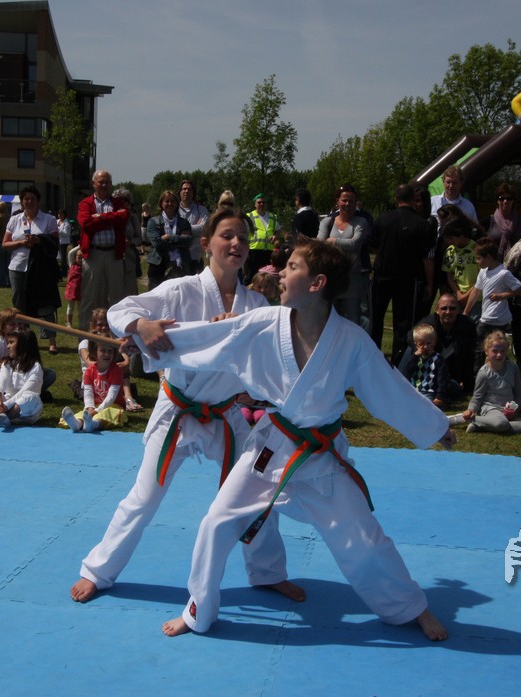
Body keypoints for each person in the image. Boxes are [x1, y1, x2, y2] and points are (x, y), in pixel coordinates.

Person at [141, 238, 456, 640]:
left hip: (320, 457)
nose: (281, 274)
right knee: (216, 522)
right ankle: (198, 610)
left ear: (316, 283)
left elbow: (389, 389)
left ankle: (411, 607)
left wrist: (434, 426)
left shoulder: (351, 340)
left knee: (364, 540)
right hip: (270, 448)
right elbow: (213, 338)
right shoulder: (265, 322)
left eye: (291, 267)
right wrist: (149, 337)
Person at [69, 206, 290, 605]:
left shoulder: (256, 304)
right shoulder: (179, 291)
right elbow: (121, 311)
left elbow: (271, 355)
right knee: (144, 498)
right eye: (227, 235)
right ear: (205, 244)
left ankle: (268, 571)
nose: (236, 243)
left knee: (257, 492)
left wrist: (234, 332)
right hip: (178, 412)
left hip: (225, 415)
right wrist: (141, 326)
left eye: (242, 237)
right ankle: (98, 570)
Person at [4, 185, 61, 354]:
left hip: (40, 269)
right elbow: (5, 244)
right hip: (18, 267)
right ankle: (24, 340)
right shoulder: (15, 219)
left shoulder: (49, 219)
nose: (29, 202)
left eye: (32, 199)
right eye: (26, 199)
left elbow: (54, 243)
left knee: (45, 304)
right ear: (22, 202)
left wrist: (38, 240)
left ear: (38, 201)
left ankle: (52, 341)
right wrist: (21, 243)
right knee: (19, 305)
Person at [480, 183, 521, 361]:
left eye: (509, 198)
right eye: (501, 198)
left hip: (515, 274)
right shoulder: (488, 221)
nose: (505, 201)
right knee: (492, 318)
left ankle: (520, 359)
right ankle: (489, 357)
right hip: (494, 274)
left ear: (514, 201)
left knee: (516, 319)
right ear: (497, 201)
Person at [77, 169, 130, 330]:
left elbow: (123, 218)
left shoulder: (118, 202)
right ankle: (85, 336)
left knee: (117, 298)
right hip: (93, 255)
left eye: (107, 182)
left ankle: (117, 335)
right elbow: (86, 224)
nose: (104, 185)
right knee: (89, 298)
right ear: (94, 184)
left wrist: (100, 217)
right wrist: (112, 218)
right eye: (101, 182)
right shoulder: (85, 203)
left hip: (114, 255)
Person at [465, 237, 521, 369]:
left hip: (497, 318)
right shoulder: (483, 272)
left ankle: (489, 370)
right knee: (485, 346)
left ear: (489, 257)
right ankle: (485, 370)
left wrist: (503, 295)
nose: (477, 261)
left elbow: (519, 288)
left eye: (479, 258)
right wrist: (466, 311)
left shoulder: (503, 273)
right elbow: (476, 291)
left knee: (487, 346)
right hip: (487, 315)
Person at [317, 184, 370, 327]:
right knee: (329, 321)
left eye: (351, 201)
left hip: (352, 279)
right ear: (337, 201)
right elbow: (320, 244)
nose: (347, 204)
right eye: (344, 200)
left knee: (354, 321)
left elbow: (355, 244)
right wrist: (339, 243)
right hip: (331, 279)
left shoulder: (361, 222)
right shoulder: (327, 222)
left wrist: (332, 241)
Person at [0, 326, 44, 428]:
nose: (8, 346)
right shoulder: (7, 363)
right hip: (3, 407)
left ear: (22, 345)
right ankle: (2, 417)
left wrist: (6, 405)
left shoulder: (36, 367)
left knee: (31, 397)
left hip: (25, 411)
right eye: (8, 342)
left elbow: (24, 391)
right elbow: (2, 381)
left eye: (11, 343)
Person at [462, 331, 521, 434]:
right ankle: (474, 419)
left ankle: (482, 425)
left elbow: (519, 391)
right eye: (494, 351)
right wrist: (471, 410)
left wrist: (515, 409)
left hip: (509, 411)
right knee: (501, 423)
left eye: (502, 351)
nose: (499, 354)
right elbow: (477, 396)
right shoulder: (484, 373)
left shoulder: (513, 368)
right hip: (491, 409)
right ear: (486, 351)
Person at [416, 292, 478, 396]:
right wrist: (424, 348)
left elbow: (471, 355)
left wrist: (468, 383)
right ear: (437, 310)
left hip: (453, 368)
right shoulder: (429, 323)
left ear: (458, 310)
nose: (448, 312)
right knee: (411, 350)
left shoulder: (467, 325)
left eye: (452, 308)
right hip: (429, 367)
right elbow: (411, 337)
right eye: (444, 308)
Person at [61, 336, 127, 433]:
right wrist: (90, 408)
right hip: (95, 406)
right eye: (103, 350)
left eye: (110, 351)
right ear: (94, 352)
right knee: (83, 414)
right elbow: (88, 393)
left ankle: (93, 424)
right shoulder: (89, 371)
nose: (107, 354)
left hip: (114, 406)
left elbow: (111, 396)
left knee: (107, 414)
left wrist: (97, 410)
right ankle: (77, 423)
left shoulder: (116, 371)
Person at [398, 322, 458, 410]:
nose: (425, 346)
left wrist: (439, 396)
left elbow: (442, 379)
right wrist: (415, 357)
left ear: (434, 342)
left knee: (425, 407)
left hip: (429, 391)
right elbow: (407, 371)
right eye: (421, 344)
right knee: (405, 405)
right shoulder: (414, 357)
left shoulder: (438, 359)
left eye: (428, 343)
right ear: (416, 344)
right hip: (414, 389)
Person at [146, 190, 193, 289]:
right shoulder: (153, 222)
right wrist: (179, 239)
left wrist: (169, 237)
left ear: (177, 204)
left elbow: (188, 241)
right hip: (158, 266)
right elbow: (157, 243)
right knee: (157, 297)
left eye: (172, 201)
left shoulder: (184, 222)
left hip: (181, 266)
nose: (170, 204)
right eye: (166, 201)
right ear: (161, 204)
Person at [440, 217, 478, 313]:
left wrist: (466, 295)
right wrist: (458, 293)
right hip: (458, 297)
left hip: (477, 297)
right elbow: (449, 275)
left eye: (451, 238)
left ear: (461, 234)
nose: (448, 241)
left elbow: (483, 276)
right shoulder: (450, 251)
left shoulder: (477, 249)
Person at [245, 193, 280, 283]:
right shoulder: (249, 216)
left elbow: (278, 229)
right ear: (255, 204)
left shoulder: (273, 217)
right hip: (254, 250)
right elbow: (243, 231)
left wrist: (276, 236)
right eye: (259, 202)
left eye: (263, 202)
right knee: (252, 275)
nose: (261, 204)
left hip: (268, 251)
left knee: (266, 276)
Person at [177, 180, 209, 275]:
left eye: (189, 189)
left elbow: (204, 229)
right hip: (177, 258)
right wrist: (195, 228)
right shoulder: (174, 209)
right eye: (184, 189)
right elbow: (171, 230)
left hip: (195, 258)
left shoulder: (201, 209)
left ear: (193, 192)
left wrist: (183, 229)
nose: (186, 191)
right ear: (180, 192)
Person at [63, 246, 82, 327]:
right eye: (79, 257)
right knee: (70, 307)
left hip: (81, 291)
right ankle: (69, 323)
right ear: (75, 258)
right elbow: (70, 253)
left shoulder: (85, 267)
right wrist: (80, 246)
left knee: (80, 309)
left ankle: (81, 323)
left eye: (82, 258)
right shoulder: (72, 264)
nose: (80, 260)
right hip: (71, 291)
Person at [56, 209, 72, 278]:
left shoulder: (67, 224)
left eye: (61, 214)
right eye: (59, 214)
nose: (59, 215)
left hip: (64, 243)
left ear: (64, 215)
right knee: (57, 257)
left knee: (63, 258)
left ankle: (64, 272)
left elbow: (66, 233)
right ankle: (58, 271)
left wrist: (58, 229)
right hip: (57, 241)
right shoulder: (57, 221)